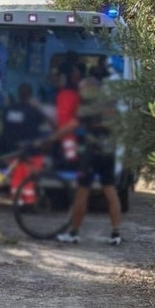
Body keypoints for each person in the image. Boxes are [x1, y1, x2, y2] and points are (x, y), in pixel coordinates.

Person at [54, 74, 123, 246]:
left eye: (82, 90)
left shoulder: (88, 107)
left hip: (92, 154)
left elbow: (73, 125)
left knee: (82, 192)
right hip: (109, 152)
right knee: (110, 191)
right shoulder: (111, 104)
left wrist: (51, 139)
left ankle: (74, 233)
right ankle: (115, 233)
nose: (81, 93)